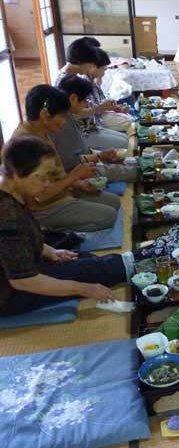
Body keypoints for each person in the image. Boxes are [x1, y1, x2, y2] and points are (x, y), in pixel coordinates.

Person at [0, 135, 135, 316]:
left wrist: (51, 252)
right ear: (17, 174)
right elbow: (23, 280)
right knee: (87, 270)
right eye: (42, 178)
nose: (47, 184)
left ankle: (137, 261)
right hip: (10, 294)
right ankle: (145, 261)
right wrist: (84, 289)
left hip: (26, 267)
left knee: (82, 258)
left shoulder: (12, 193)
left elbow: (23, 241)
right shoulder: (6, 218)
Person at [12, 85, 120, 232]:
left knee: (114, 202)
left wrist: (79, 184)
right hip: (42, 208)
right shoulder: (25, 143)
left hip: (61, 192)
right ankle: (47, 230)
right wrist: (74, 176)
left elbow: (55, 173)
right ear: (44, 115)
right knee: (109, 216)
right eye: (62, 116)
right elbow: (39, 197)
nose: (64, 122)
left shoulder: (41, 131)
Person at [54, 75, 137, 182]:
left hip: (90, 159)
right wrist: (99, 156)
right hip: (81, 171)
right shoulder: (62, 124)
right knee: (136, 169)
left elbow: (84, 152)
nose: (86, 104)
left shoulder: (68, 115)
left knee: (133, 162)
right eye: (84, 100)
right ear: (73, 98)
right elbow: (72, 163)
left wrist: (102, 155)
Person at [54, 38, 128, 150]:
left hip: (90, 127)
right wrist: (100, 108)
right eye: (91, 63)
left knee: (126, 139)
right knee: (124, 143)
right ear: (80, 61)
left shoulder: (72, 76)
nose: (92, 67)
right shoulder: (64, 82)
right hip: (79, 133)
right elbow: (71, 116)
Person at [86, 48, 132, 133]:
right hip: (93, 121)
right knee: (127, 121)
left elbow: (99, 100)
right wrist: (106, 108)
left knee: (128, 117)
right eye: (103, 68)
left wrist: (114, 107)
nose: (105, 71)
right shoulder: (84, 81)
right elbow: (92, 109)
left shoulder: (91, 79)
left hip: (98, 113)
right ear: (94, 66)